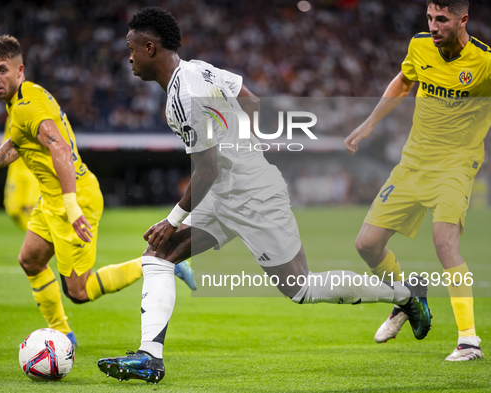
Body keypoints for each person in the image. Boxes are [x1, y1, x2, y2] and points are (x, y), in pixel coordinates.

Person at [98, 7, 433, 384]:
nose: (128, 57)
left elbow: (206, 169)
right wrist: (246, 145)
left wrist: (172, 219)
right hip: (226, 193)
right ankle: (149, 357)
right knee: (159, 255)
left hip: (252, 197)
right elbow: (251, 98)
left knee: (301, 288)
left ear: (150, 47)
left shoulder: (185, 96)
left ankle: (406, 294)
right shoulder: (199, 70)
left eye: (131, 48)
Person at [0, 35, 195, 348]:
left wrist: (72, 207)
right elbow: (18, 143)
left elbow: (60, 148)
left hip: (74, 199)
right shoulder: (25, 97)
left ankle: (162, 262)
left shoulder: (27, 107)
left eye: (2, 70)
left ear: (19, 69)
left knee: (79, 291)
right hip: (52, 200)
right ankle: (63, 334)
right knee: (30, 260)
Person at [344, 0, 488, 362]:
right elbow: (404, 80)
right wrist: (369, 123)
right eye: (430, 18)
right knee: (367, 244)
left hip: (456, 164)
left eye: (442, 19)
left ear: (462, 20)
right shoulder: (419, 45)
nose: (434, 25)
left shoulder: (484, 63)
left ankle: (469, 341)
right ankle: (408, 298)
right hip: (413, 164)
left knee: (444, 242)